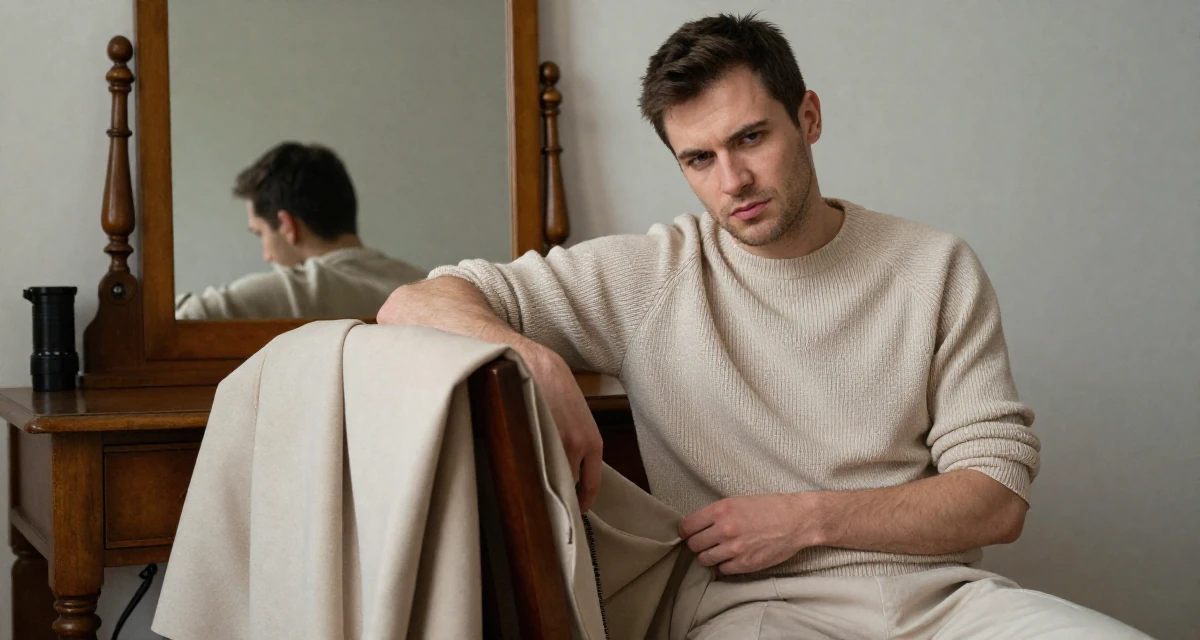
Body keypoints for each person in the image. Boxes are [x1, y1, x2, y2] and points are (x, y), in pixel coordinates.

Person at [378, 14, 1150, 639]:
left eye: (751, 138)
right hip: (753, 614)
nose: (732, 181)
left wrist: (805, 519)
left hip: (948, 605)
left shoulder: (933, 266)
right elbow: (413, 302)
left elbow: (996, 499)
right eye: (699, 158)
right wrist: (532, 359)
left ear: (808, 117)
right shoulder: (653, 275)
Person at [175, 142, 426, 320]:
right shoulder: (425, 284)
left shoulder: (299, 292)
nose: (267, 256)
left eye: (260, 233)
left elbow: (177, 320)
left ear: (287, 225)